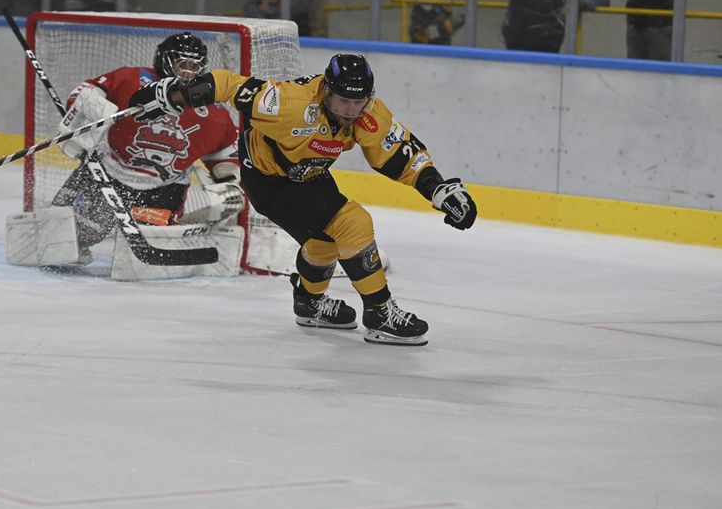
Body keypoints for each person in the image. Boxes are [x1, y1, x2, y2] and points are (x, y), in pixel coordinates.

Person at [131, 53, 478, 347]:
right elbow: (228, 85)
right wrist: (172, 94)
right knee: (353, 223)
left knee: (323, 243)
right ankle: (379, 312)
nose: (351, 110)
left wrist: (439, 188)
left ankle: (309, 304)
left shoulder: (367, 112)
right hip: (268, 181)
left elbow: (401, 154)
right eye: (343, 101)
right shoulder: (289, 104)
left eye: (359, 102)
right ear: (326, 92)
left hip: (308, 175)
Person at [47, 32, 245, 265]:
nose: (187, 72)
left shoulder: (213, 111)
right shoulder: (131, 79)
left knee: (152, 240)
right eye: (181, 63)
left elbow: (225, 151)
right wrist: (90, 108)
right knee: (70, 234)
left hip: (163, 188)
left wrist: (228, 177)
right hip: (108, 170)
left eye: (193, 66)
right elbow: (87, 91)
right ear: (165, 60)